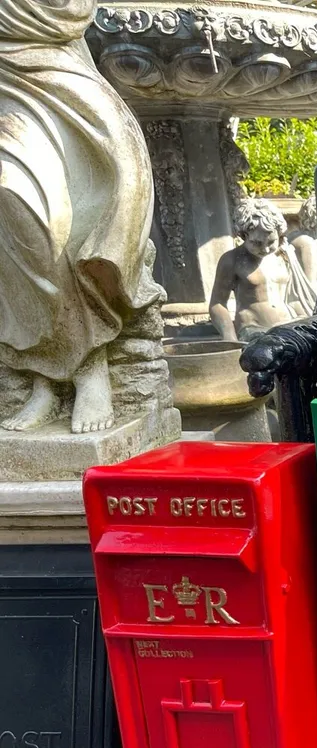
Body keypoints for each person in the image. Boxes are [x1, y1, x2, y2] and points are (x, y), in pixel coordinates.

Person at [0, 0, 158, 433]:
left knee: (68, 220)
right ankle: (44, 375)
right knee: (14, 201)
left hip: (53, 72)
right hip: (5, 91)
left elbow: (70, 11)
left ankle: (89, 366)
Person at [209, 198, 317, 342]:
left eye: (271, 242)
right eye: (257, 243)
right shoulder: (232, 260)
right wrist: (230, 337)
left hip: (290, 325)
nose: (265, 249)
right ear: (243, 236)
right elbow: (217, 304)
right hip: (254, 330)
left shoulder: (285, 254)